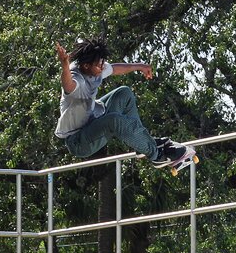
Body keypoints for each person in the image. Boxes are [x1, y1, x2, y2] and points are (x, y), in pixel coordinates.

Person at [54, 38, 191, 166]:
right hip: (79, 141)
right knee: (114, 120)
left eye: (102, 64)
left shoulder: (95, 66)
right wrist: (64, 65)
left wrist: (140, 66)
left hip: (93, 121)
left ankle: (142, 144)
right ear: (85, 66)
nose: (102, 68)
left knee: (124, 93)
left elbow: (114, 68)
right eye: (99, 66)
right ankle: (157, 156)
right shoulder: (76, 76)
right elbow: (68, 85)